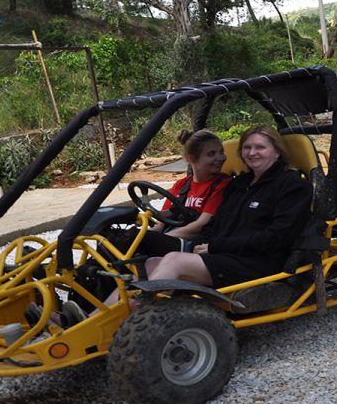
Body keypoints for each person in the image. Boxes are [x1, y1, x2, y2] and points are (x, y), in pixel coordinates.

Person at [104, 126, 312, 301]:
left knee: (174, 260)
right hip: (226, 256)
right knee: (149, 263)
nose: (252, 152)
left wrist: (215, 246)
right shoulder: (240, 185)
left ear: (276, 152)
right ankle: (93, 322)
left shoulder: (292, 186)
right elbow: (215, 225)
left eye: (260, 147)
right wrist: (199, 245)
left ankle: (133, 320)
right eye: (247, 147)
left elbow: (276, 238)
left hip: (260, 262)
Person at [135, 130, 230, 256]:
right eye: (211, 154)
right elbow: (162, 221)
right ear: (191, 158)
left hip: (197, 243)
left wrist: (161, 238)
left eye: (221, 152)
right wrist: (148, 228)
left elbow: (200, 225)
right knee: (126, 240)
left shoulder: (223, 185)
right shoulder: (181, 185)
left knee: (142, 244)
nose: (221, 158)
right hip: (175, 236)